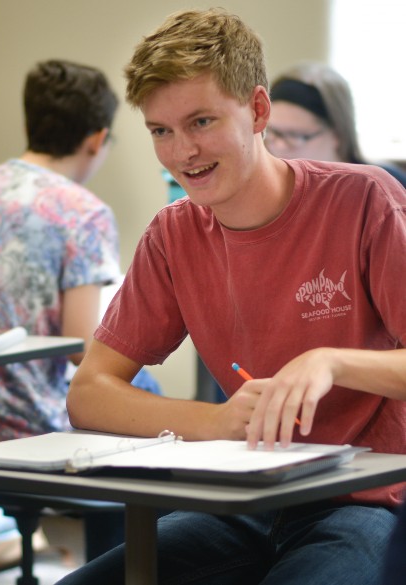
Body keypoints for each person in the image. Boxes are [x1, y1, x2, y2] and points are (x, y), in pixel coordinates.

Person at [59, 7, 406, 585]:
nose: (182, 152)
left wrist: (332, 361)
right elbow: (89, 394)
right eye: (161, 131)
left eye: (201, 122)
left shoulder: (365, 201)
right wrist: (217, 422)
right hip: (246, 499)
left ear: (259, 110)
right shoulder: (174, 234)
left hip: (365, 501)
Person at [0, 59, 158, 560]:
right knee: (141, 396)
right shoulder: (83, 212)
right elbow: (81, 353)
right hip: (26, 428)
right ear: (97, 138)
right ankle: (117, 568)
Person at [266, 61, 406, 187]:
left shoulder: (386, 186)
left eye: (295, 136)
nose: (279, 146)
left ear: (337, 134)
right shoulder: (272, 186)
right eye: (273, 132)